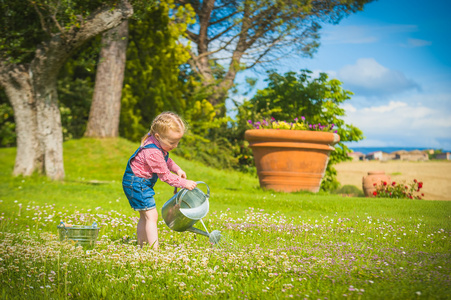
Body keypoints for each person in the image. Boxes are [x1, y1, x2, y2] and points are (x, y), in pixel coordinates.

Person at [122, 112, 197, 250]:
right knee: (152, 216)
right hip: (137, 184)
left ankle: (142, 246)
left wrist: (178, 169)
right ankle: (154, 250)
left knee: (145, 216)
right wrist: (184, 184)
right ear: (158, 136)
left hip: (136, 182)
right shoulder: (153, 152)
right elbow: (165, 176)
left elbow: (167, 160)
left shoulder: (156, 144)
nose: (175, 145)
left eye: (177, 142)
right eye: (172, 142)